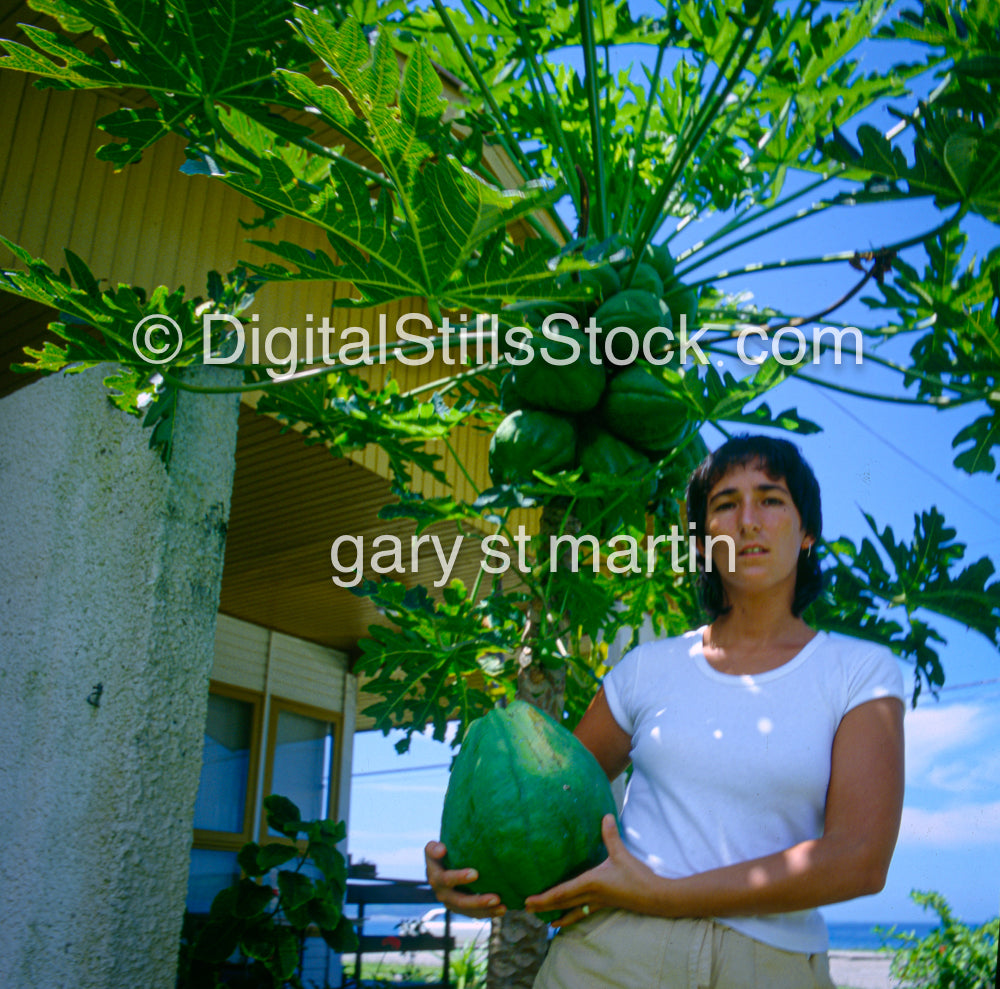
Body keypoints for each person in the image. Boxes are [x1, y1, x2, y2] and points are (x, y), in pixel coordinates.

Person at [425, 434, 905, 988]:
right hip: (613, 951)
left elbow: (860, 859)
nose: (748, 521)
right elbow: (553, 804)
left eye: (771, 499)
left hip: (766, 963)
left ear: (807, 533)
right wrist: (466, 868)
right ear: (701, 542)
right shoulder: (644, 668)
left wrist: (669, 895)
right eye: (725, 504)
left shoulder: (860, 671)